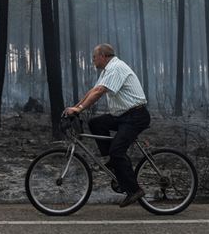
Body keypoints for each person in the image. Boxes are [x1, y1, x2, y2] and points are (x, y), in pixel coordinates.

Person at [64, 43, 150, 208]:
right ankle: (115, 161)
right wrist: (75, 108)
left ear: (103, 56)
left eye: (94, 57)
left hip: (135, 116)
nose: (93, 60)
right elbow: (93, 90)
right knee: (95, 123)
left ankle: (134, 190)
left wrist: (79, 108)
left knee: (117, 151)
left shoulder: (116, 68)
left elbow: (99, 92)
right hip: (123, 115)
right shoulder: (107, 70)